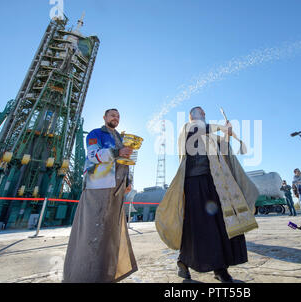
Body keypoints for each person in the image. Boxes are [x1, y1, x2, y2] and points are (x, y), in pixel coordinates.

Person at [155, 106, 259, 283]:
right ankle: (184, 261)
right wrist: (222, 128)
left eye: (204, 112)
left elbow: (223, 147)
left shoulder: (208, 134)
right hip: (194, 182)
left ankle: (220, 269)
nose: (204, 114)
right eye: (200, 112)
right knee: (201, 226)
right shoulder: (188, 128)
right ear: (191, 116)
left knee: (221, 224)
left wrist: (228, 134)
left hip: (215, 182)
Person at [63, 109, 137, 283]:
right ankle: (83, 276)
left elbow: (125, 162)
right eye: (112, 115)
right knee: (92, 230)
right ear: (104, 118)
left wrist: (128, 181)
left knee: (110, 233)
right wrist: (118, 152)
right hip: (98, 188)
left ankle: (105, 275)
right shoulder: (96, 134)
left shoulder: (121, 138)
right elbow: (92, 155)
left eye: (118, 115)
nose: (115, 118)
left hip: (117, 189)